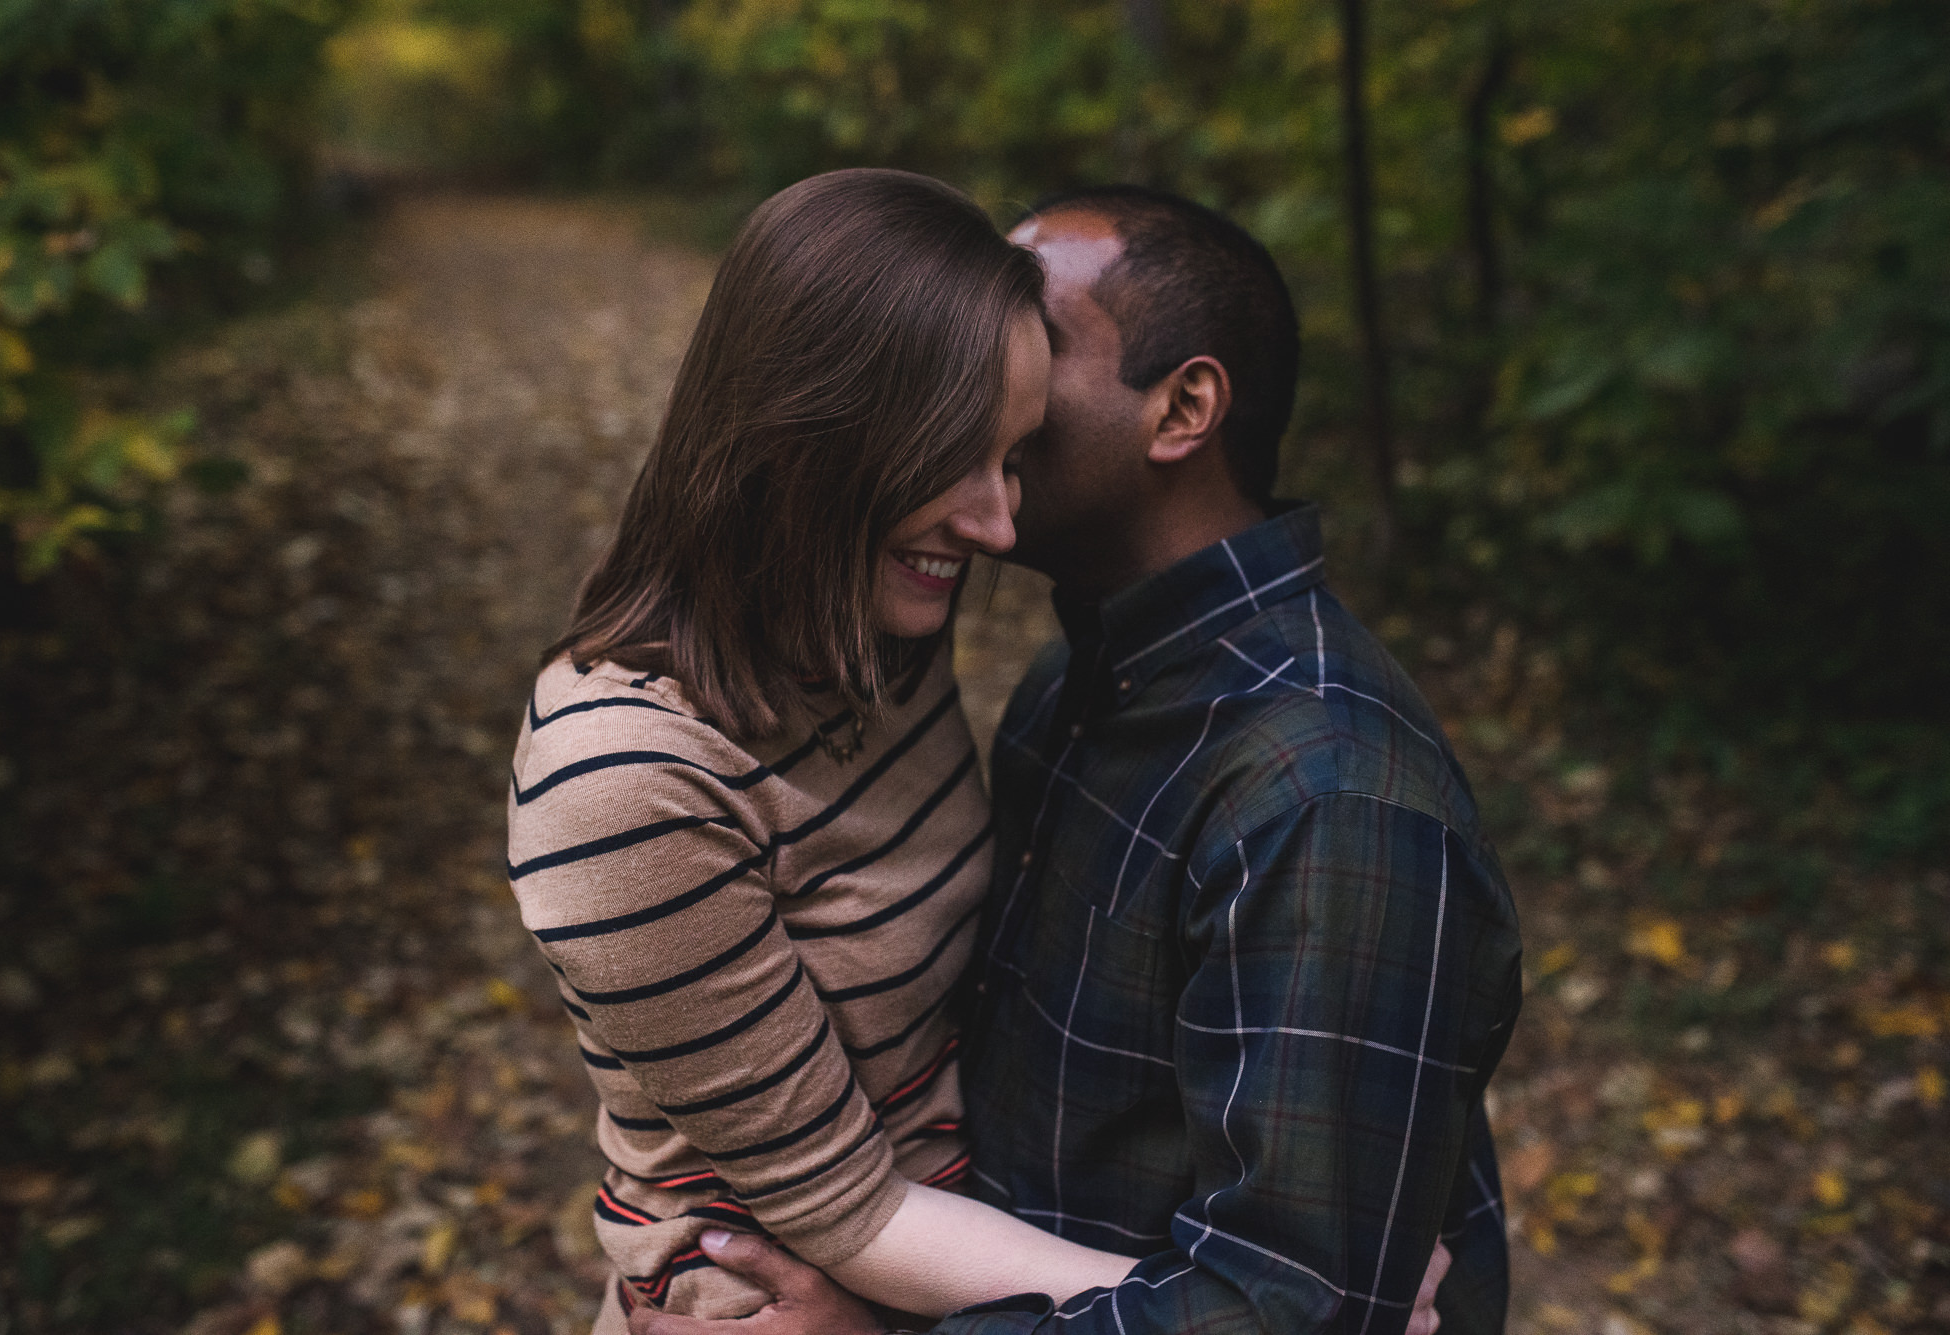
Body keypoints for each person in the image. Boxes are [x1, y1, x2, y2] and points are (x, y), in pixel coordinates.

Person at [629, 187, 1521, 1335]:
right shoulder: (1082, 680)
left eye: (1026, 337)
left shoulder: (1324, 797)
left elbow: (1292, 1310)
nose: (966, 362)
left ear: (1181, 409)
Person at [506, 169, 1145, 1333]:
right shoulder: (620, 785)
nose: (999, 525)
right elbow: (853, 1218)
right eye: (957, 456)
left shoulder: (868, 639)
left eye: (1012, 458)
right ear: (811, 429)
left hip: (968, 1265)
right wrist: (1253, 1311)